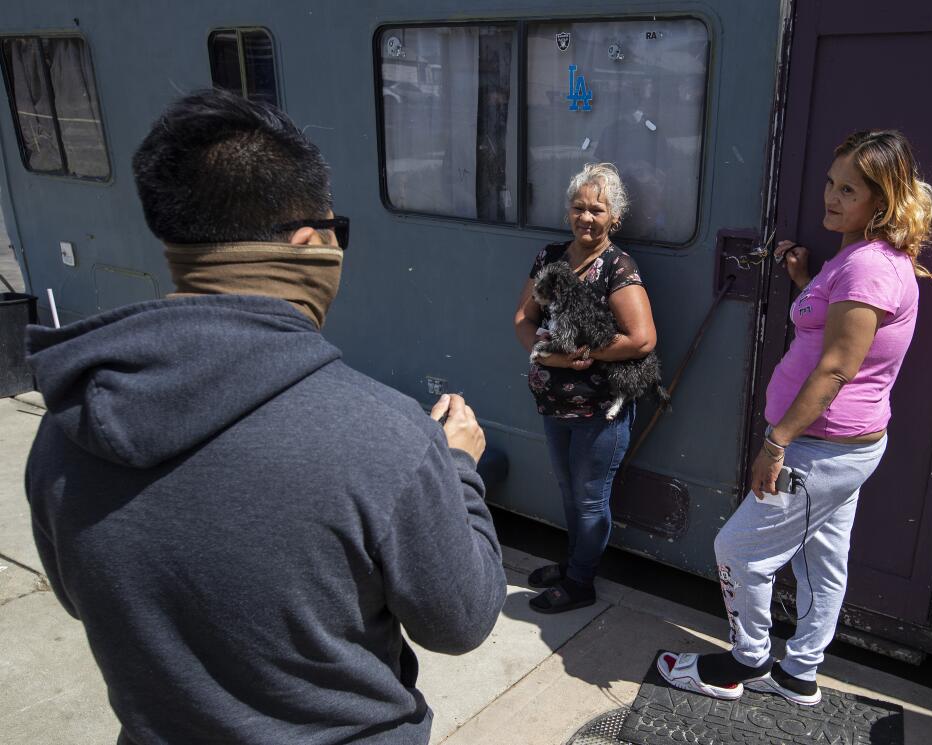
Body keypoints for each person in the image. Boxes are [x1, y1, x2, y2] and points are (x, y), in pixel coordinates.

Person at [23, 89, 507, 744]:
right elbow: (463, 618)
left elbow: (81, 598)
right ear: (310, 243)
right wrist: (457, 469)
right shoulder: (388, 437)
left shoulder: (66, 427)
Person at [657, 130, 932, 705]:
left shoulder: (868, 268)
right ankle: (800, 673)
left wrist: (777, 442)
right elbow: (838, 328)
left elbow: (836, 368)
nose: (831, 199)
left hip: (819, 445)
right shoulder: (864, 257)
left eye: (849, 190)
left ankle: (746, 661)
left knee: (738, 551)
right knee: (823, 561)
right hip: (843, 448)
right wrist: (807, 282)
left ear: (881, 201)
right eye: (831, 184)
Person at [513, 162, 659, 614]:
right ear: (567, 213)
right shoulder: (550, 258)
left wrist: (585, 355)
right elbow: (524, 319)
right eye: (579, 207)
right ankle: (574, 562)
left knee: (590, 497)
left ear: (615, 217)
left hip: (600, 411)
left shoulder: (617, 266)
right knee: (567, 489)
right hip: (553, 404)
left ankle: (581, 582)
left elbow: (642, 339)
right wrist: (542, 356)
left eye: (598, 209)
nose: (587, 217)